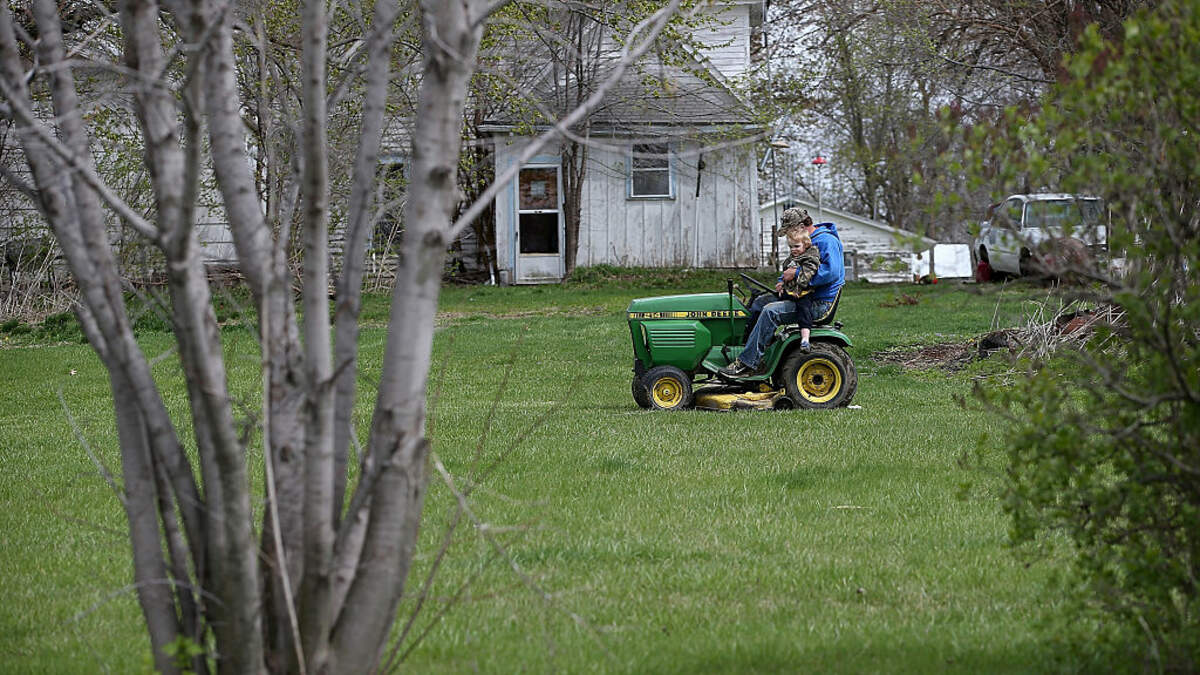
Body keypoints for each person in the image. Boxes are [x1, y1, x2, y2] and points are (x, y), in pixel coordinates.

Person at [721, 208, 845, 378]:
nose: (787, 234)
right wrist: (782, 281)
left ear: (800, 226)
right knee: (759, 302)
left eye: (788, 230)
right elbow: (792, 265)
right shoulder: (802, 241)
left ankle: (747, 363)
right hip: (799, 294)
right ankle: (750, 348)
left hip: (817, 303)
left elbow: (831, 273)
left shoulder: (826, 241)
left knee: (770, 311)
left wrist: (796, 274)